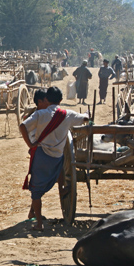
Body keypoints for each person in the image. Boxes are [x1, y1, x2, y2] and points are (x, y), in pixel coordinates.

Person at [19, 86, 89, 231]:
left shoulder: (40, 114)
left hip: (41, 156)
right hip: (57, 158)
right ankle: (62, 188)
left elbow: (22, 126)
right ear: (61, 100)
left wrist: (30, 144)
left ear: (47, 99)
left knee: (36, 191)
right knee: (62, 166)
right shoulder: (68, 114)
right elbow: (84, 119)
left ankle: (38, 223)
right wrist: (88, 114)